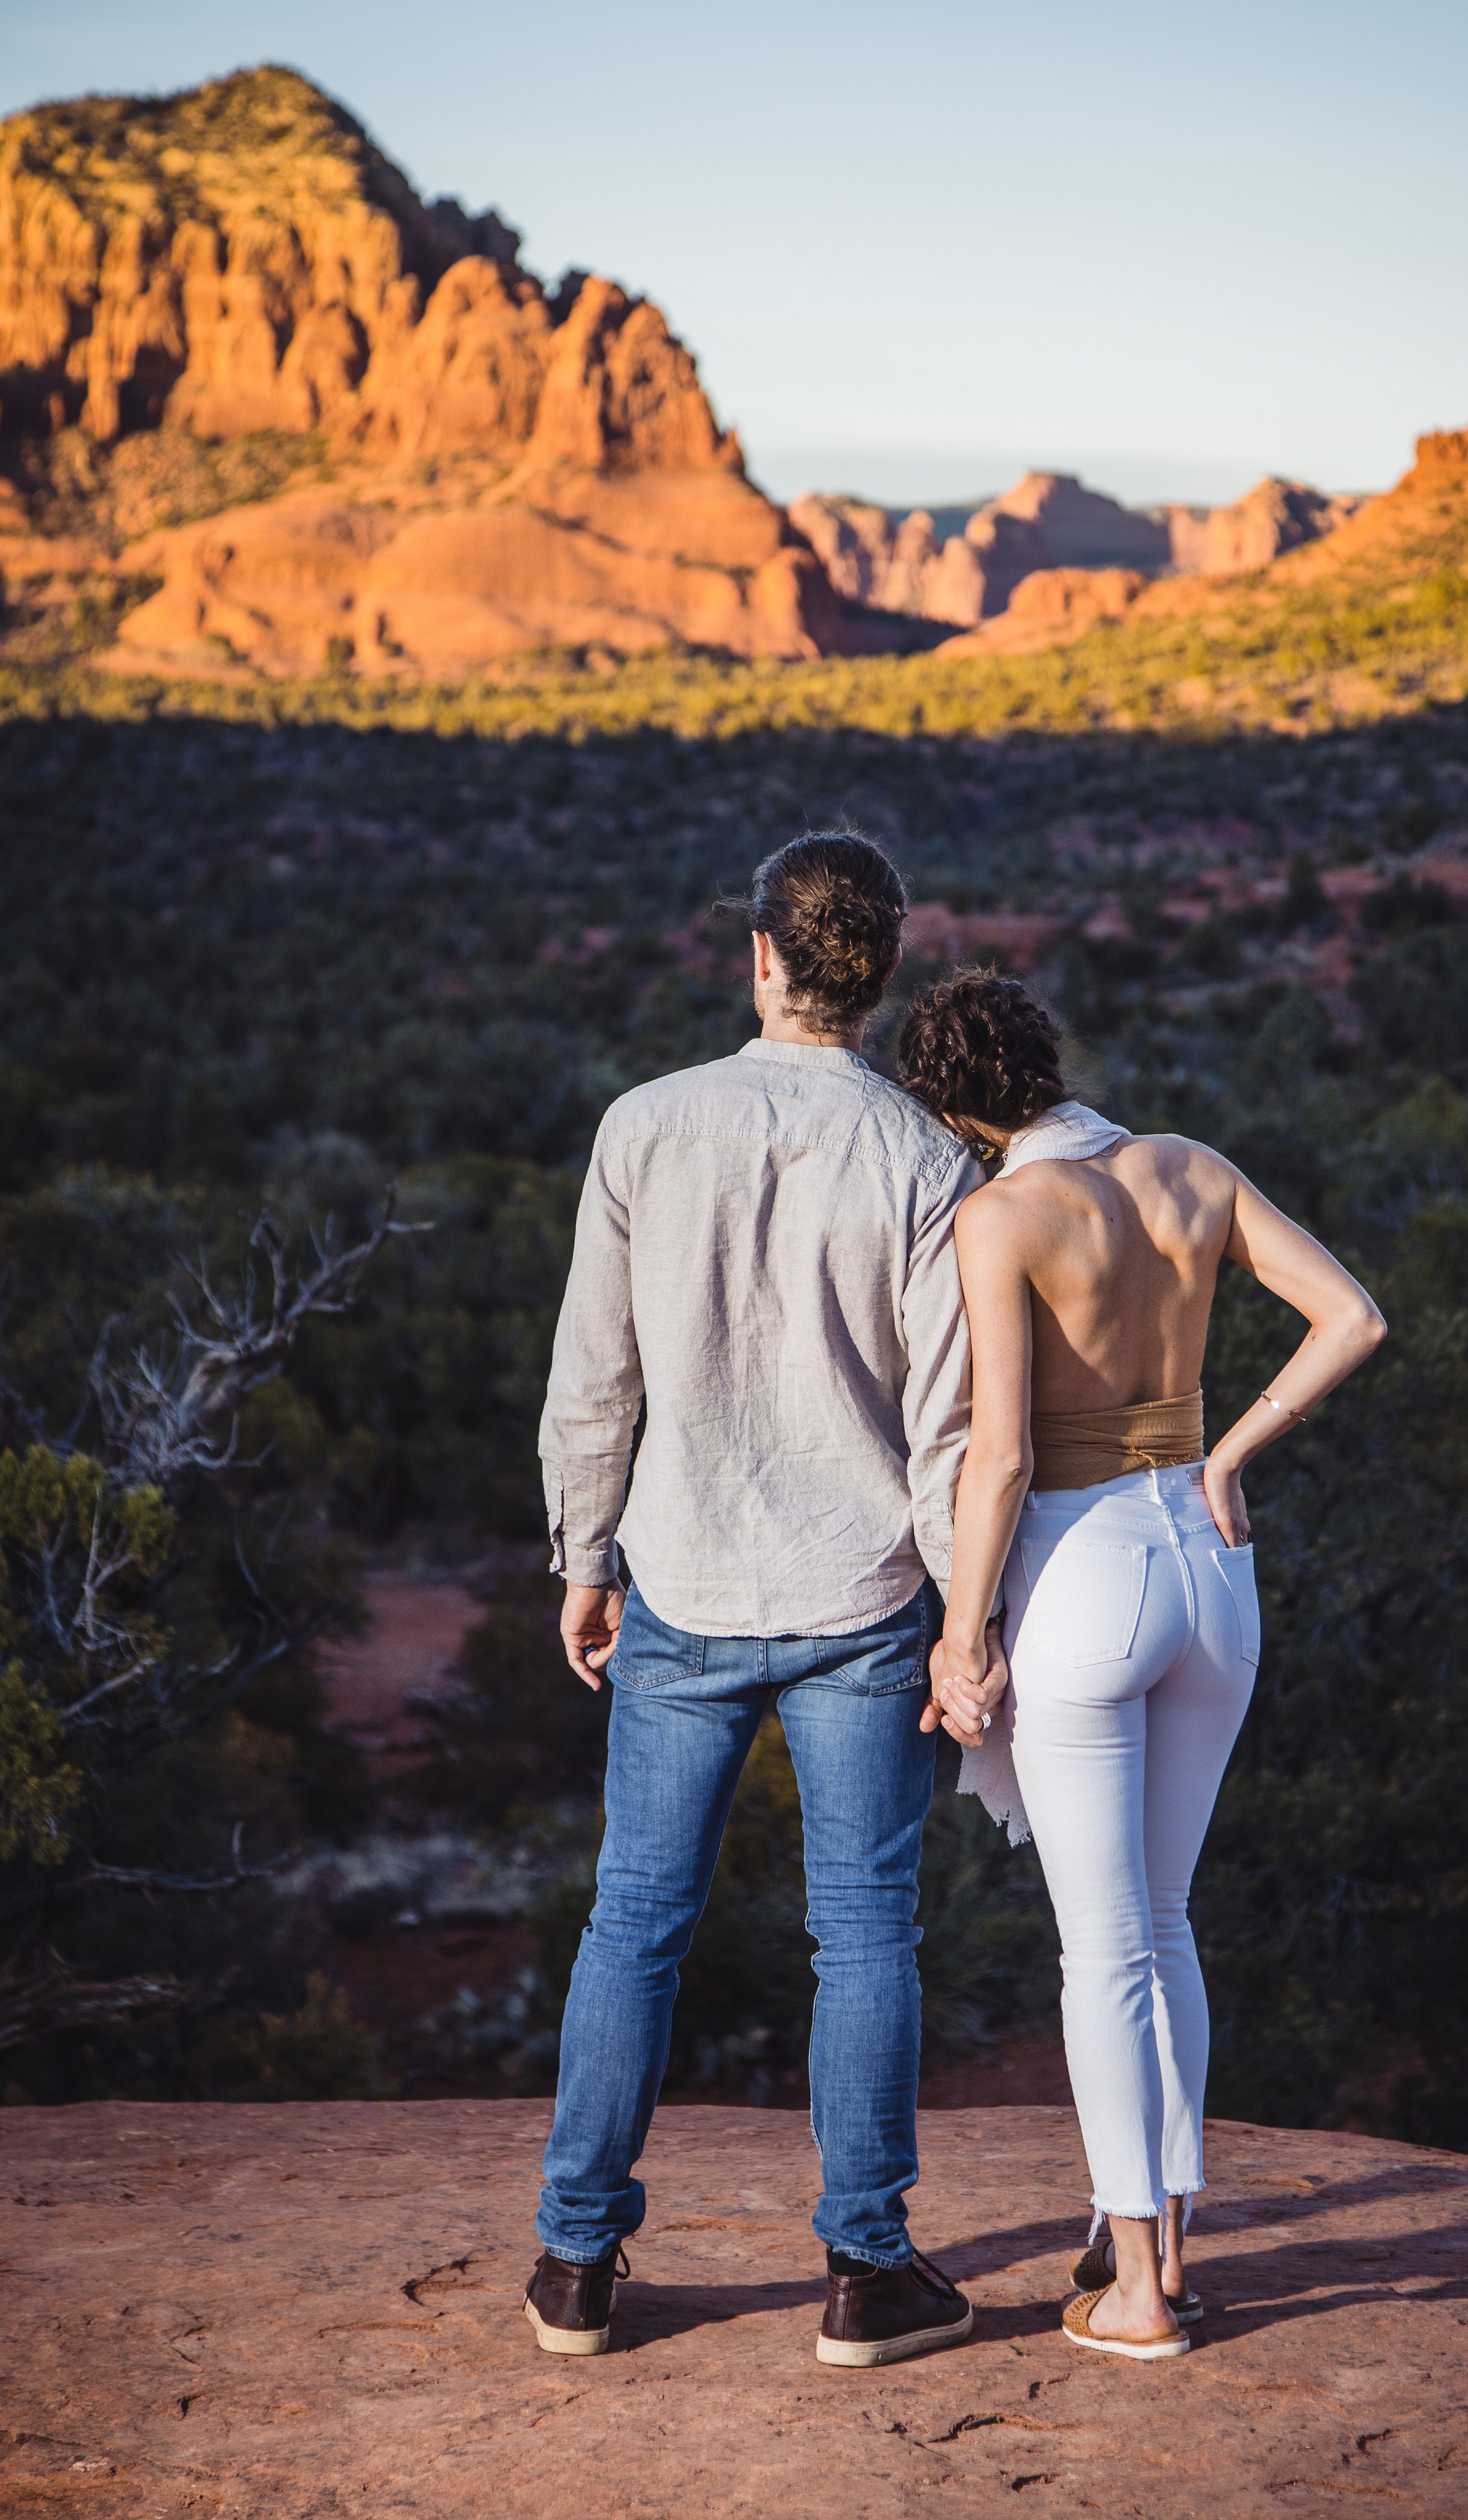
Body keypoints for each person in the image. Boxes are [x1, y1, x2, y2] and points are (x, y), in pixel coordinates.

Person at [526, 834, 979, 2369]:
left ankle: (578, 2266)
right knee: (865, 1937)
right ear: (878, 970)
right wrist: (964, 1620)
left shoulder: (646, 1127)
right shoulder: (928, 1158)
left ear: (766, 959)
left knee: (635, 1924)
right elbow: (952, 1428)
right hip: (865, 1594)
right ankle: (866, 2275)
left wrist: (585, 1559)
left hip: (685, 1586)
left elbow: (594, 1380)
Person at [896, 969, 1386, 2362]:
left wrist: (962, 1632)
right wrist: (1231, 1450)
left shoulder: (1001, 1217)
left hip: (1083, 1574)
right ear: (1048, 1061)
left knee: (1102, 1948)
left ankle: (1141, 2297)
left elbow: (998, 1456)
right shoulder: (1191, 1169)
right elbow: (1353, 1316)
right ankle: (1168, 2240)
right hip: (1210, 1569)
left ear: (953, 1108)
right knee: (1165, 1925)